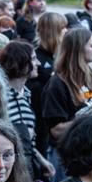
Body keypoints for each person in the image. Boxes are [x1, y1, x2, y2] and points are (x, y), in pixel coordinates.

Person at [42, 28, 92, 182]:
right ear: (78, 49)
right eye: (91, 45)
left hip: (89, 152)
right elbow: (56, 130)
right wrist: (86, 119)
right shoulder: (58, 83)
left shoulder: (91, 77)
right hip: (66, 158)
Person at [0, 40, 55, 181]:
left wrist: (41, 160)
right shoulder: (2, 97)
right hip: (12, 172)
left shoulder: (26, 94)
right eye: (34, 59)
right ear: (22, 62)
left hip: (27, 167)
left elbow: (28, 139)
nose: (39, 64)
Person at [27, 12, 67, 155]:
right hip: (42, 127)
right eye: (63, 28)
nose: (66, 32)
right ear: (53, 31)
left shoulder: (60, 55)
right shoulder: (36, 58)